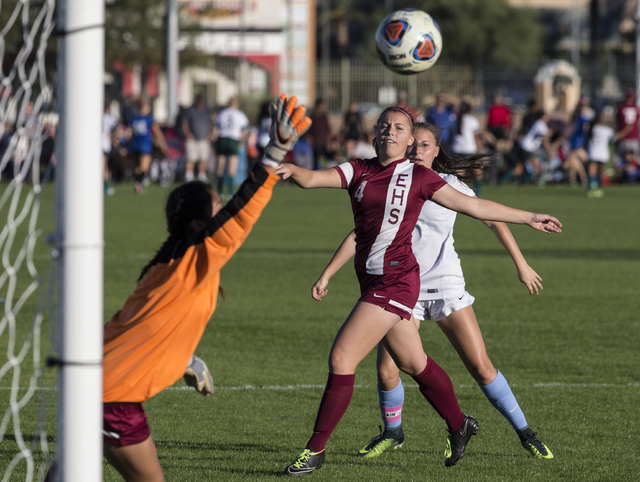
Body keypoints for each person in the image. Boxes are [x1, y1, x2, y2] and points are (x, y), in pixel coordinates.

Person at [277, 106, 562, 476]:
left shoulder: (421, 178)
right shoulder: (360, 170)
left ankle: (314, 450)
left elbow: (475, 207)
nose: (390, 131)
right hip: (375, 281)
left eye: (399, 128)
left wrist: (529, 217)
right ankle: (459, 424)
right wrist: (284, 164)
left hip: (397, 283)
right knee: (412, 364)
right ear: (376, 133)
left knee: (342, 359)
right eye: (385, 126)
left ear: (411, 140)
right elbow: (312, 179)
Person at [98, 94, 311, 482]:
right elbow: (241, 214)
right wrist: (274, 152)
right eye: (217, 204)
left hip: (102, 384)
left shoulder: (173, 264)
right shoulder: (196, 256)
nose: (224, 207)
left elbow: (147, 327)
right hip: (113, 394)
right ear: (200, 223)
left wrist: (184, 360)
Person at [129, 98, 167, 194]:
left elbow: (129, 133)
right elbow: (157, 131)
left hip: (135, 144)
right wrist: (161, 142)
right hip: (145, 145)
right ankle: (138, 184)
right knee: (144, 167)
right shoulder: (149, 119)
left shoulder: (134, 119)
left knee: (139, 166)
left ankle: (138, 183)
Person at [215, 97, 250, 197]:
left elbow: (216, 128)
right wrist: (241, 142)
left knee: (220, 167)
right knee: (232, 168)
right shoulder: (239, 114)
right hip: (233, 140)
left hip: (222, 139)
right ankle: (230, 193)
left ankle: (220, 192)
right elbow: (245, 130)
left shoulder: (221, 113)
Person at [586, 110, 617, 197]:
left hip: (593, 152)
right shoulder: (608, 130)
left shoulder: (593, 128)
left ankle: (591, 188)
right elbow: (614, 139)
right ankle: (598, 188)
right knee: (600, 171)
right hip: (603, 153)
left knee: (592, 171)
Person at [183, 94, 213, 182]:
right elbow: (185, 124)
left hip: (203, 139)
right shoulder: (191, 111)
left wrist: (210, 135)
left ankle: (201, 175)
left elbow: (211, 125)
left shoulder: (207, 112)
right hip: (192, 140)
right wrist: (188, 134)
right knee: (191, 158)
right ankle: (189, 175)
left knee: (203, 158)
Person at [616, 89, 640, 163]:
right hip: (632, 138)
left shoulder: (621, 107)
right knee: (633, 159)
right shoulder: (636, 108)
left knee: (622, 158)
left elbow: (617, 121)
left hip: (625, 137)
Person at [309, 98, 331, 169]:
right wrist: (311, 142)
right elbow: (310, 132)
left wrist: (328, 143)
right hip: (316, 143)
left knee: (325, 161)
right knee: (315, 162)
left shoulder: (324, 117)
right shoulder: (312, 117)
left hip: (323, 143)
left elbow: (327, 131)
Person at [103, 102, 119, 195]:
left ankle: (106, 187)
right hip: (104, 144)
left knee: (103, 166)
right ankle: (105, 188)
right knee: (104, 167)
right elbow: (117, 128)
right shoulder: (108, 118)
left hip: (95, 144)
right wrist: (113, 138)